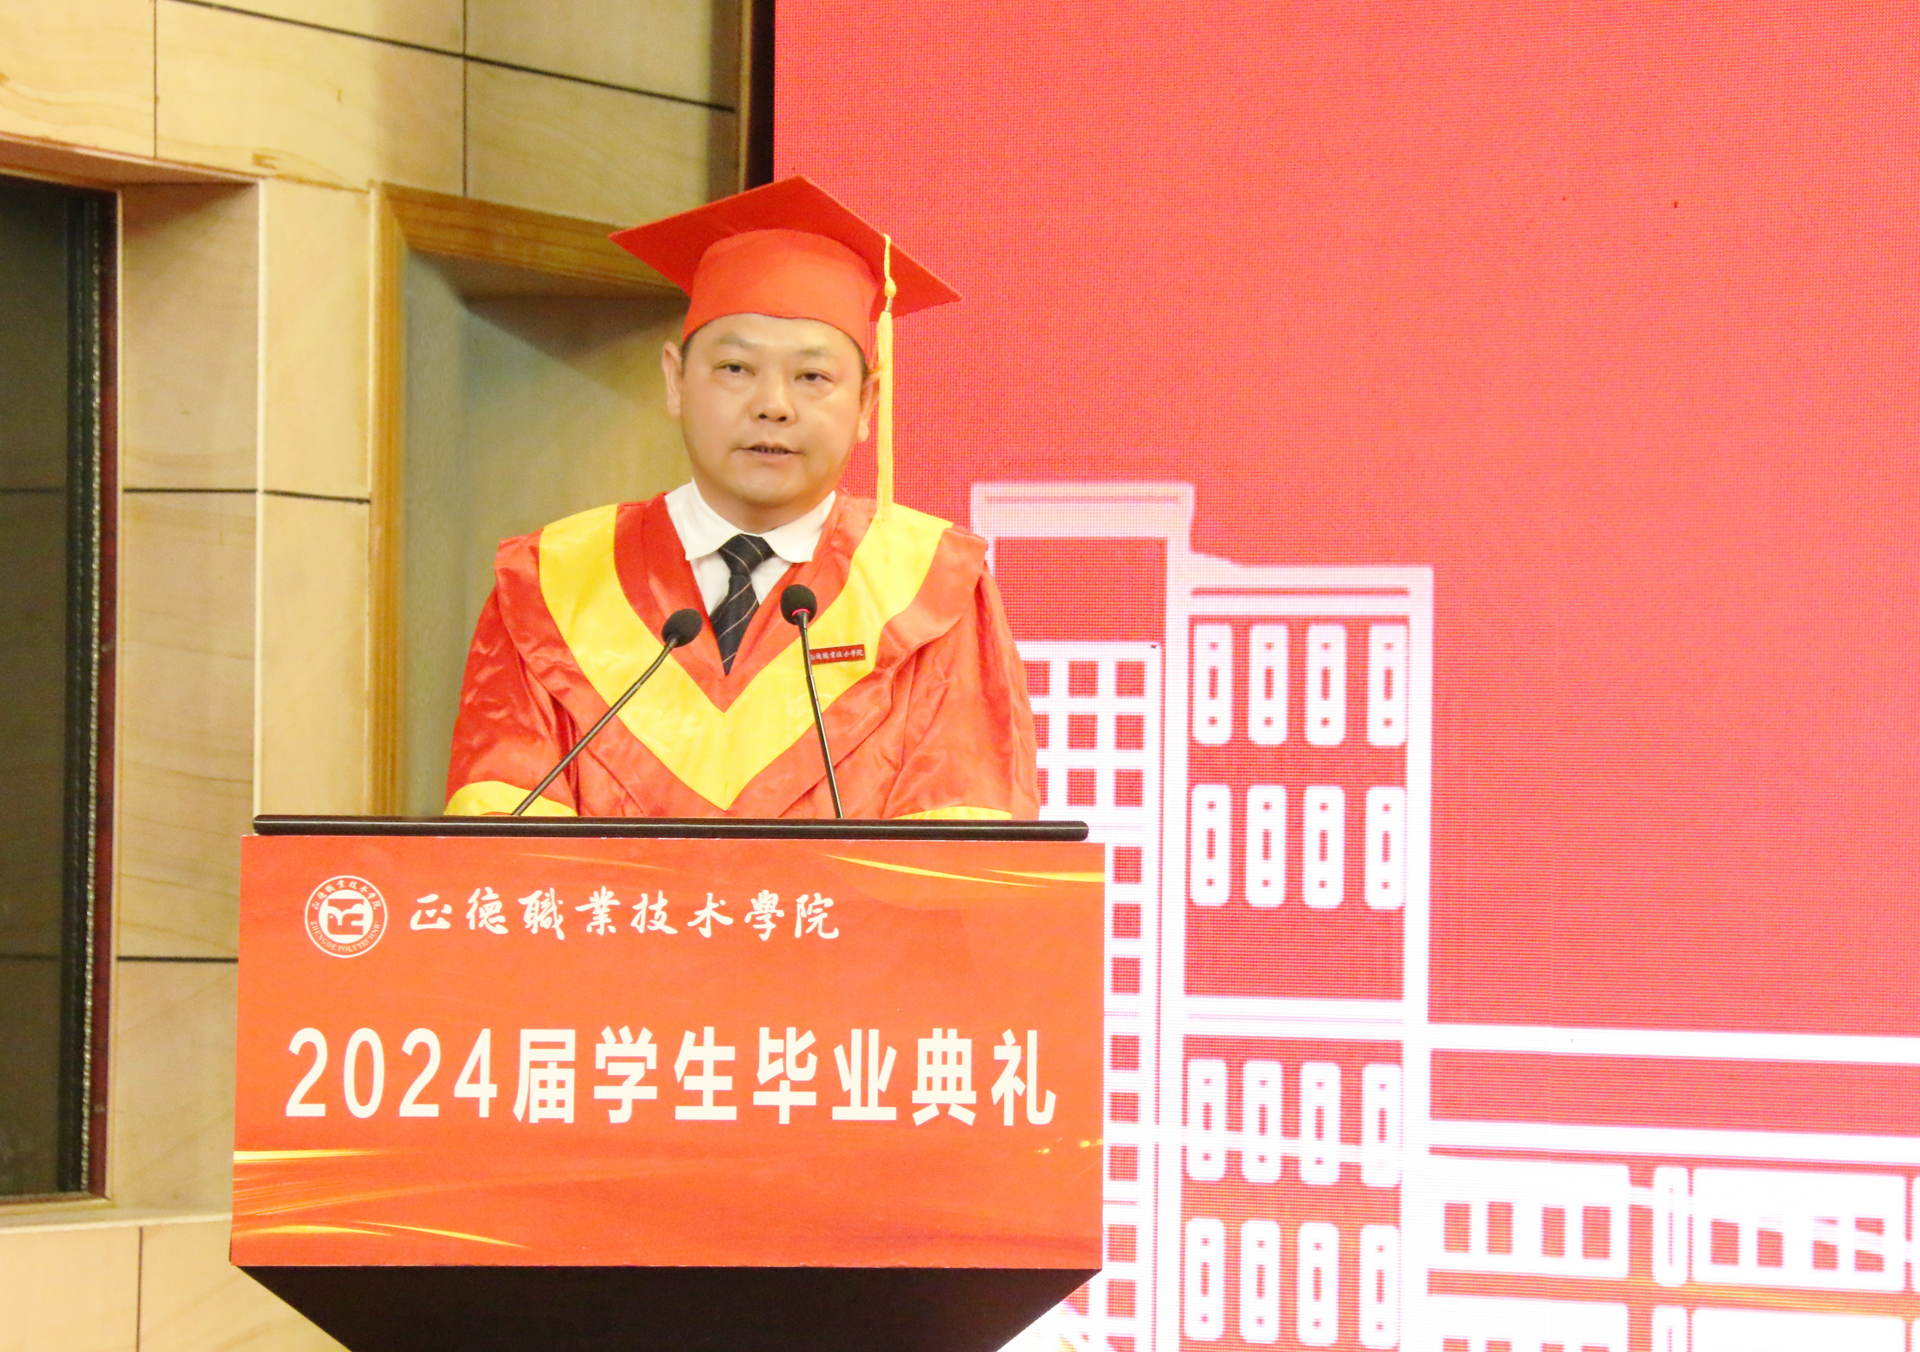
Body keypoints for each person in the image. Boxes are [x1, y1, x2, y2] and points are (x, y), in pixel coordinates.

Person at [442, 176, 1039, 820]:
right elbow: (502, 833)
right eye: (735, 369)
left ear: (868, 403)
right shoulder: (555, 586)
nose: (773, 406)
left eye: (812, 376)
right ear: (675, 380)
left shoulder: (930, 592)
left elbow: (960, 839)